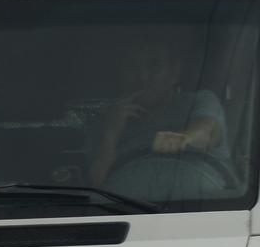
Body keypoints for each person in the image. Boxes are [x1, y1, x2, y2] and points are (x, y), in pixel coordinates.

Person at [87, 35, 229, 185]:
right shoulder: (107, 123)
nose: (142, 77)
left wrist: (184, 138)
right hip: (124, 205)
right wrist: (110, 134)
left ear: (174, 73)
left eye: (155, 66)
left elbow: (208, 131)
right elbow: (97, 184)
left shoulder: (200, 101)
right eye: (132, 67)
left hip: (206, 204)